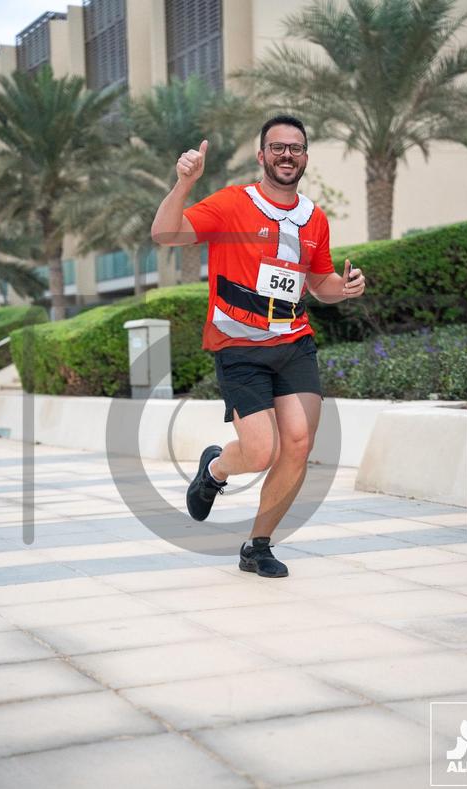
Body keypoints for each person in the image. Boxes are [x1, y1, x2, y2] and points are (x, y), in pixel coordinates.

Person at [151, 115, 365, 578]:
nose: (287, 155)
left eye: (296, 148)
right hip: (239, 346)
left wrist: (344, 288)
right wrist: (185, 183)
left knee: (298, 444)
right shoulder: (232, 203)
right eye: (278, 147)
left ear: (305, 157)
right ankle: (215, 470)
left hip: (294, 342)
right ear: (262, 155)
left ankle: (257, 545)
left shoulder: (314, 218)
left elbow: (320, 283)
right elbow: (165, 234)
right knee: (261, 451)